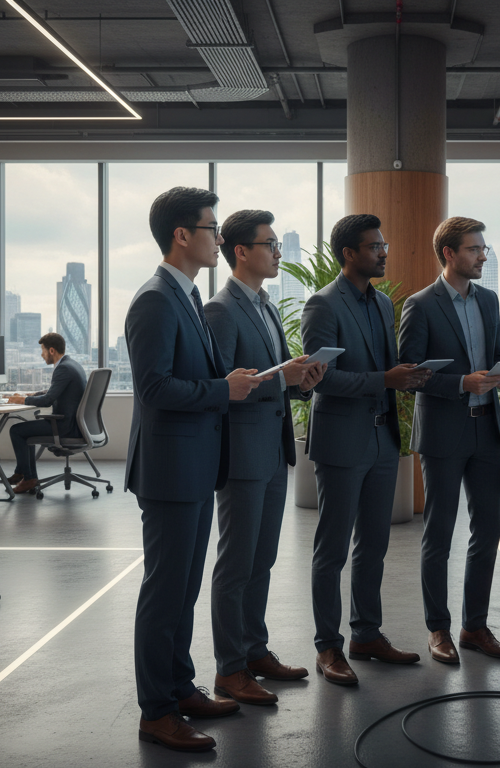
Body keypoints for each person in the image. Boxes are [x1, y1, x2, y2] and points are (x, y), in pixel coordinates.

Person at [127, 187, 271, 752]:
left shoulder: (184, 295)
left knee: (183, 589)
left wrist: (232, 382)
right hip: (170, 470)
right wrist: (223, 388)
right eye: (212, 230)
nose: (219, 239)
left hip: (194, 464)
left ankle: (180, 686)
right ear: (182, 236)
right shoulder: (156, 299)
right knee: (165, 592)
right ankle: (156, 710)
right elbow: (154, 388)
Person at [302, 214, 432, 686]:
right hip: (341, 441)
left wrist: (407, 374)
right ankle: (328, 647)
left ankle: (366, 634)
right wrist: (384, 379)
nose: (383, 252)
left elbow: (383, 368)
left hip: (382, 441)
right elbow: (321, 378)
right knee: (332, 549)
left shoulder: (381, 304)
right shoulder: (322, 305)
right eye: (374, 246)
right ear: (348, 254)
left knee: (374, 545)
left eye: (385, 244)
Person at [203, 209, 326, 705]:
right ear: (240, 252)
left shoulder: (265, 305)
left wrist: (300, 384)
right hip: (242, 454)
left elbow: (271, 378)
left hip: (272, 452)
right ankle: (229, 668)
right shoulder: (221, 309)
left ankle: (255, 652)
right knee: (236, 564)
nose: (278, 253)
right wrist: (282, 378)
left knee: (263, 559)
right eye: (269, 245)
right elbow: (228, 388)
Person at [398, 216, 500, 665]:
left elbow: (493, 357)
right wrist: (460, 384)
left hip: (486, 429)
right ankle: (438, 629)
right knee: (440, 535)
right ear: (449, 253)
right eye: (474, 249)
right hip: (444, 434)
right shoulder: (421, 304)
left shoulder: (488, 300)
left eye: (484, 249)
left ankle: (475, 627)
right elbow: (412, 374)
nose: (483, 256)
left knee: (487, 532)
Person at [5, 333, 87, 495]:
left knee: (17, 431)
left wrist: (21, 401)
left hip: (64, 426)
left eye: (42, 351)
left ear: (51, 350)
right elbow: (52, 392)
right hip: (74, 423)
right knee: (24, 431)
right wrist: (28, 396)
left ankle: (27, 477)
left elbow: (48, 400)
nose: (41, 355)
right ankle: (23, 474)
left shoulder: (63, 368)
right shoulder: (71, 364)